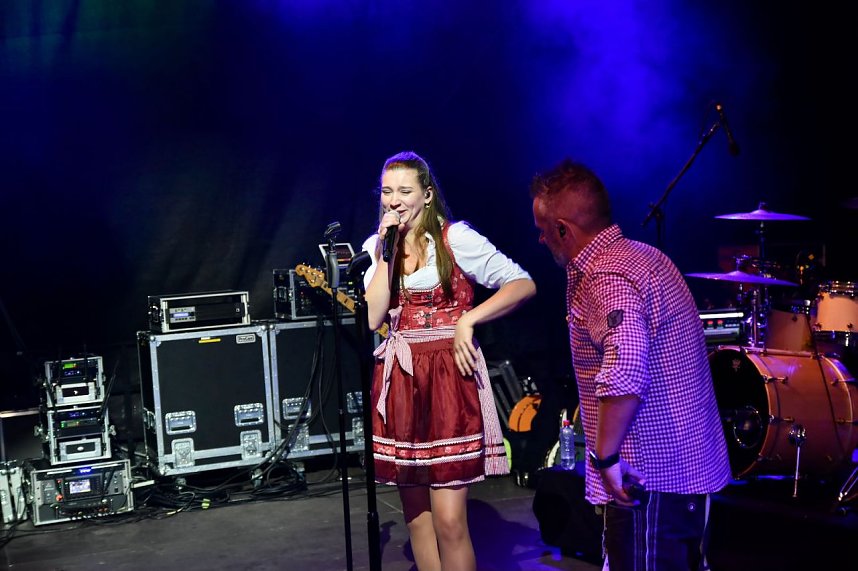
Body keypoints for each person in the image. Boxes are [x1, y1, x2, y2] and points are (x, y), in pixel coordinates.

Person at [529, 158, 731, 571]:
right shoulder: (645, 257)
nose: (540, 239)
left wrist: (604, 458)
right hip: (683, 475)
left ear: (563, 229)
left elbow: (625, 368)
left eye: (544, 229)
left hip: (650, 481)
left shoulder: (607, 278)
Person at [361, 150, 536, 571]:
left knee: (450, 521)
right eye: (387, 191)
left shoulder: (454, 238)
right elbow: (373, 317)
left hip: (446, 380)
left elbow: (521, 283)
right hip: (401, 380)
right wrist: (385, 252)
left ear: (426, 194)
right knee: (418, 521)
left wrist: (468, 321)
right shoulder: (378, 248)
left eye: (405, 191)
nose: (394, 200)